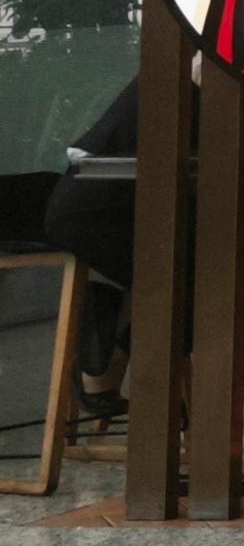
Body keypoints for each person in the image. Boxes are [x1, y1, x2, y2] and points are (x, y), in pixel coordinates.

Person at [36, 75, 135, 430]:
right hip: (95, 202)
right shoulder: (206, 64)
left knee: (196, 268)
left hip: (101, 195)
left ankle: (104, 354)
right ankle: (102, 354)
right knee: (196, 269)